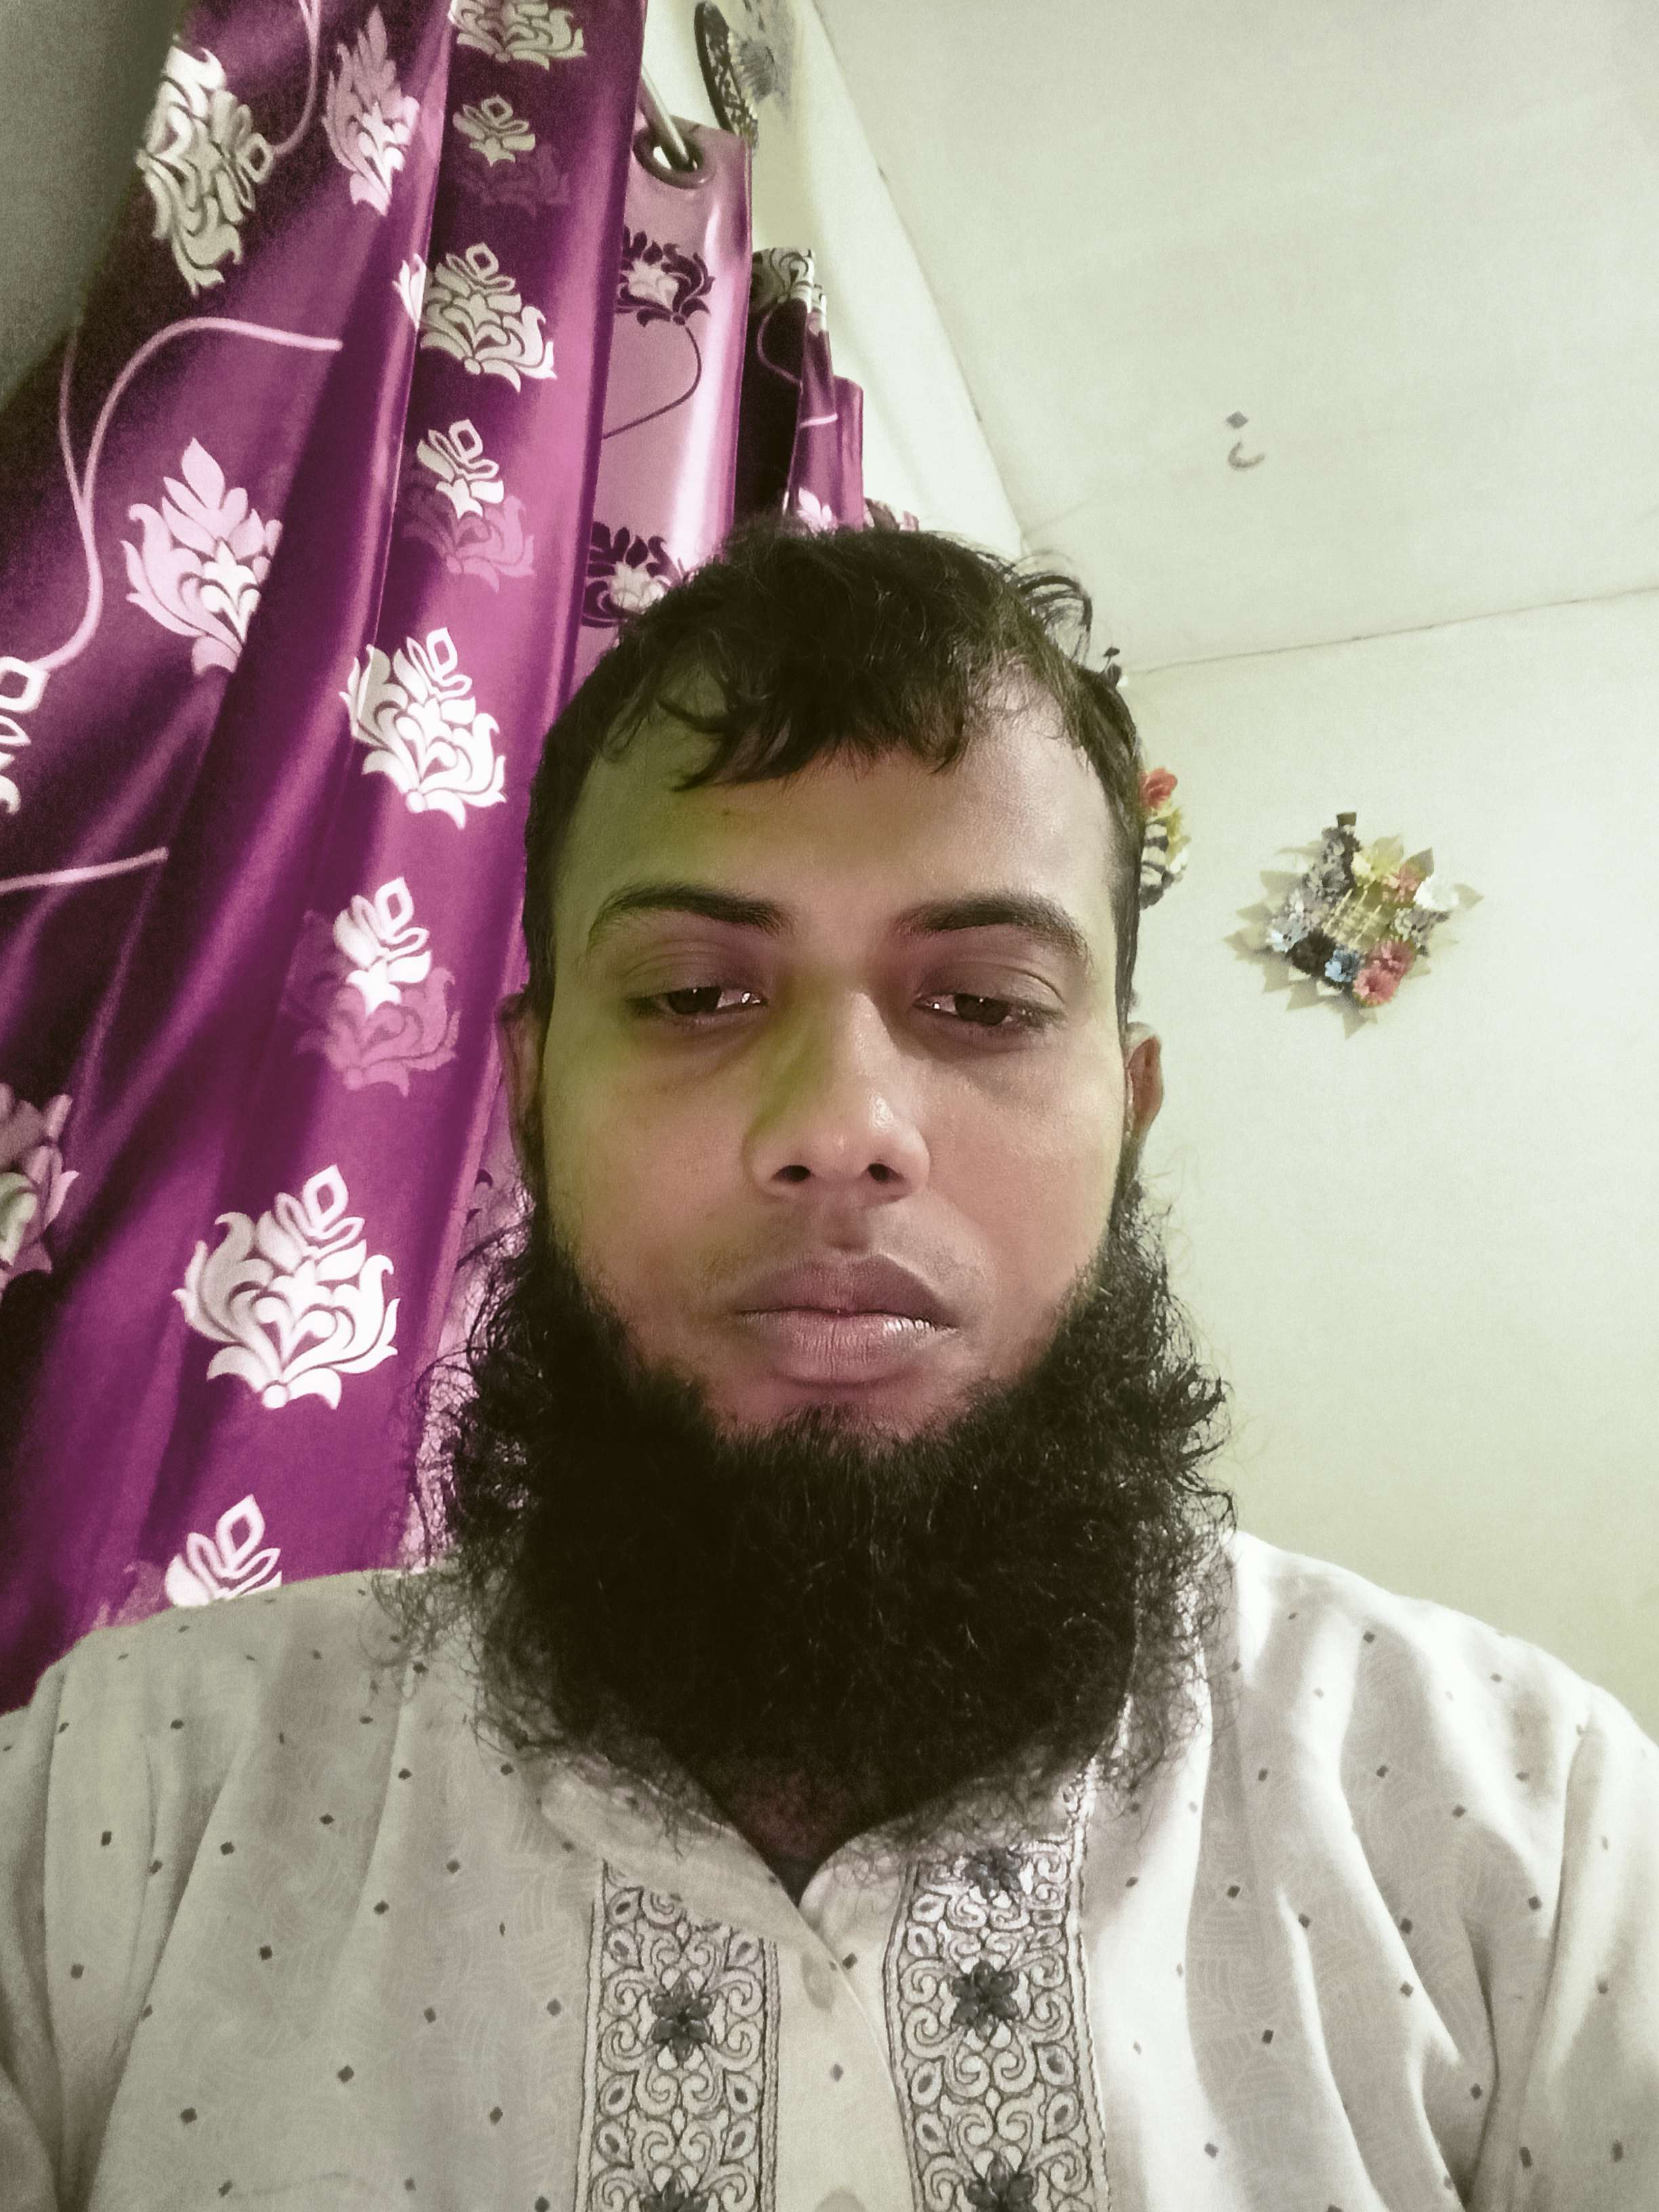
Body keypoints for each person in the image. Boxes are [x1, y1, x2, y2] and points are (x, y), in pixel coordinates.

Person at [1, 520, 1654, 2209]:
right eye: (694, 994)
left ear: (1132, 1114)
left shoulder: (1534, 1828)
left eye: (985, 1005)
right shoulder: (109, 1806)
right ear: (532, 1097)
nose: (844, 1127)